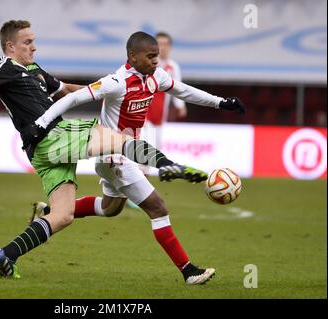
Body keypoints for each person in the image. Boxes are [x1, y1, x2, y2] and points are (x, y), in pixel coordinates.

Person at [0, 21, 210, 280]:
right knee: (117, 138)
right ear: (10, 46)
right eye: (27, 42)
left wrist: (105, 90)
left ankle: (6, 254)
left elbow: (65, 88)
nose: (33, 48)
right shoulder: (4, 67)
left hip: (44, 152)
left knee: (63, 215)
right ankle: (169, 166)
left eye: (34, 42)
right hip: (52, 138)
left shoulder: (35, 70)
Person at [32, 31, 246, 285]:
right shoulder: (116, 82)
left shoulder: (156, 76)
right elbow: (75, 97)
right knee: (158, 208)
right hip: (114, 154)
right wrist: (42, 122)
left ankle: (48, 212)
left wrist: (221, 103)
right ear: (133, 56)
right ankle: (189, 271)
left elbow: (185, 91)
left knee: (110, 208)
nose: (157, 61)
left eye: (157, 56)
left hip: (129, 152)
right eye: (151, 56)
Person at [142, 31, 187, 151]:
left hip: (161, 113)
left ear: (170, 46)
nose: (163, 47)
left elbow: (177, 88)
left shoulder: (173, 67)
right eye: (159, 44)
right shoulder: (146, 64)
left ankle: (149, 169)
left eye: (165, 44)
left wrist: (180, 105)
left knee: (157, 147)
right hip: (144, 111)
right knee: (146, 145)